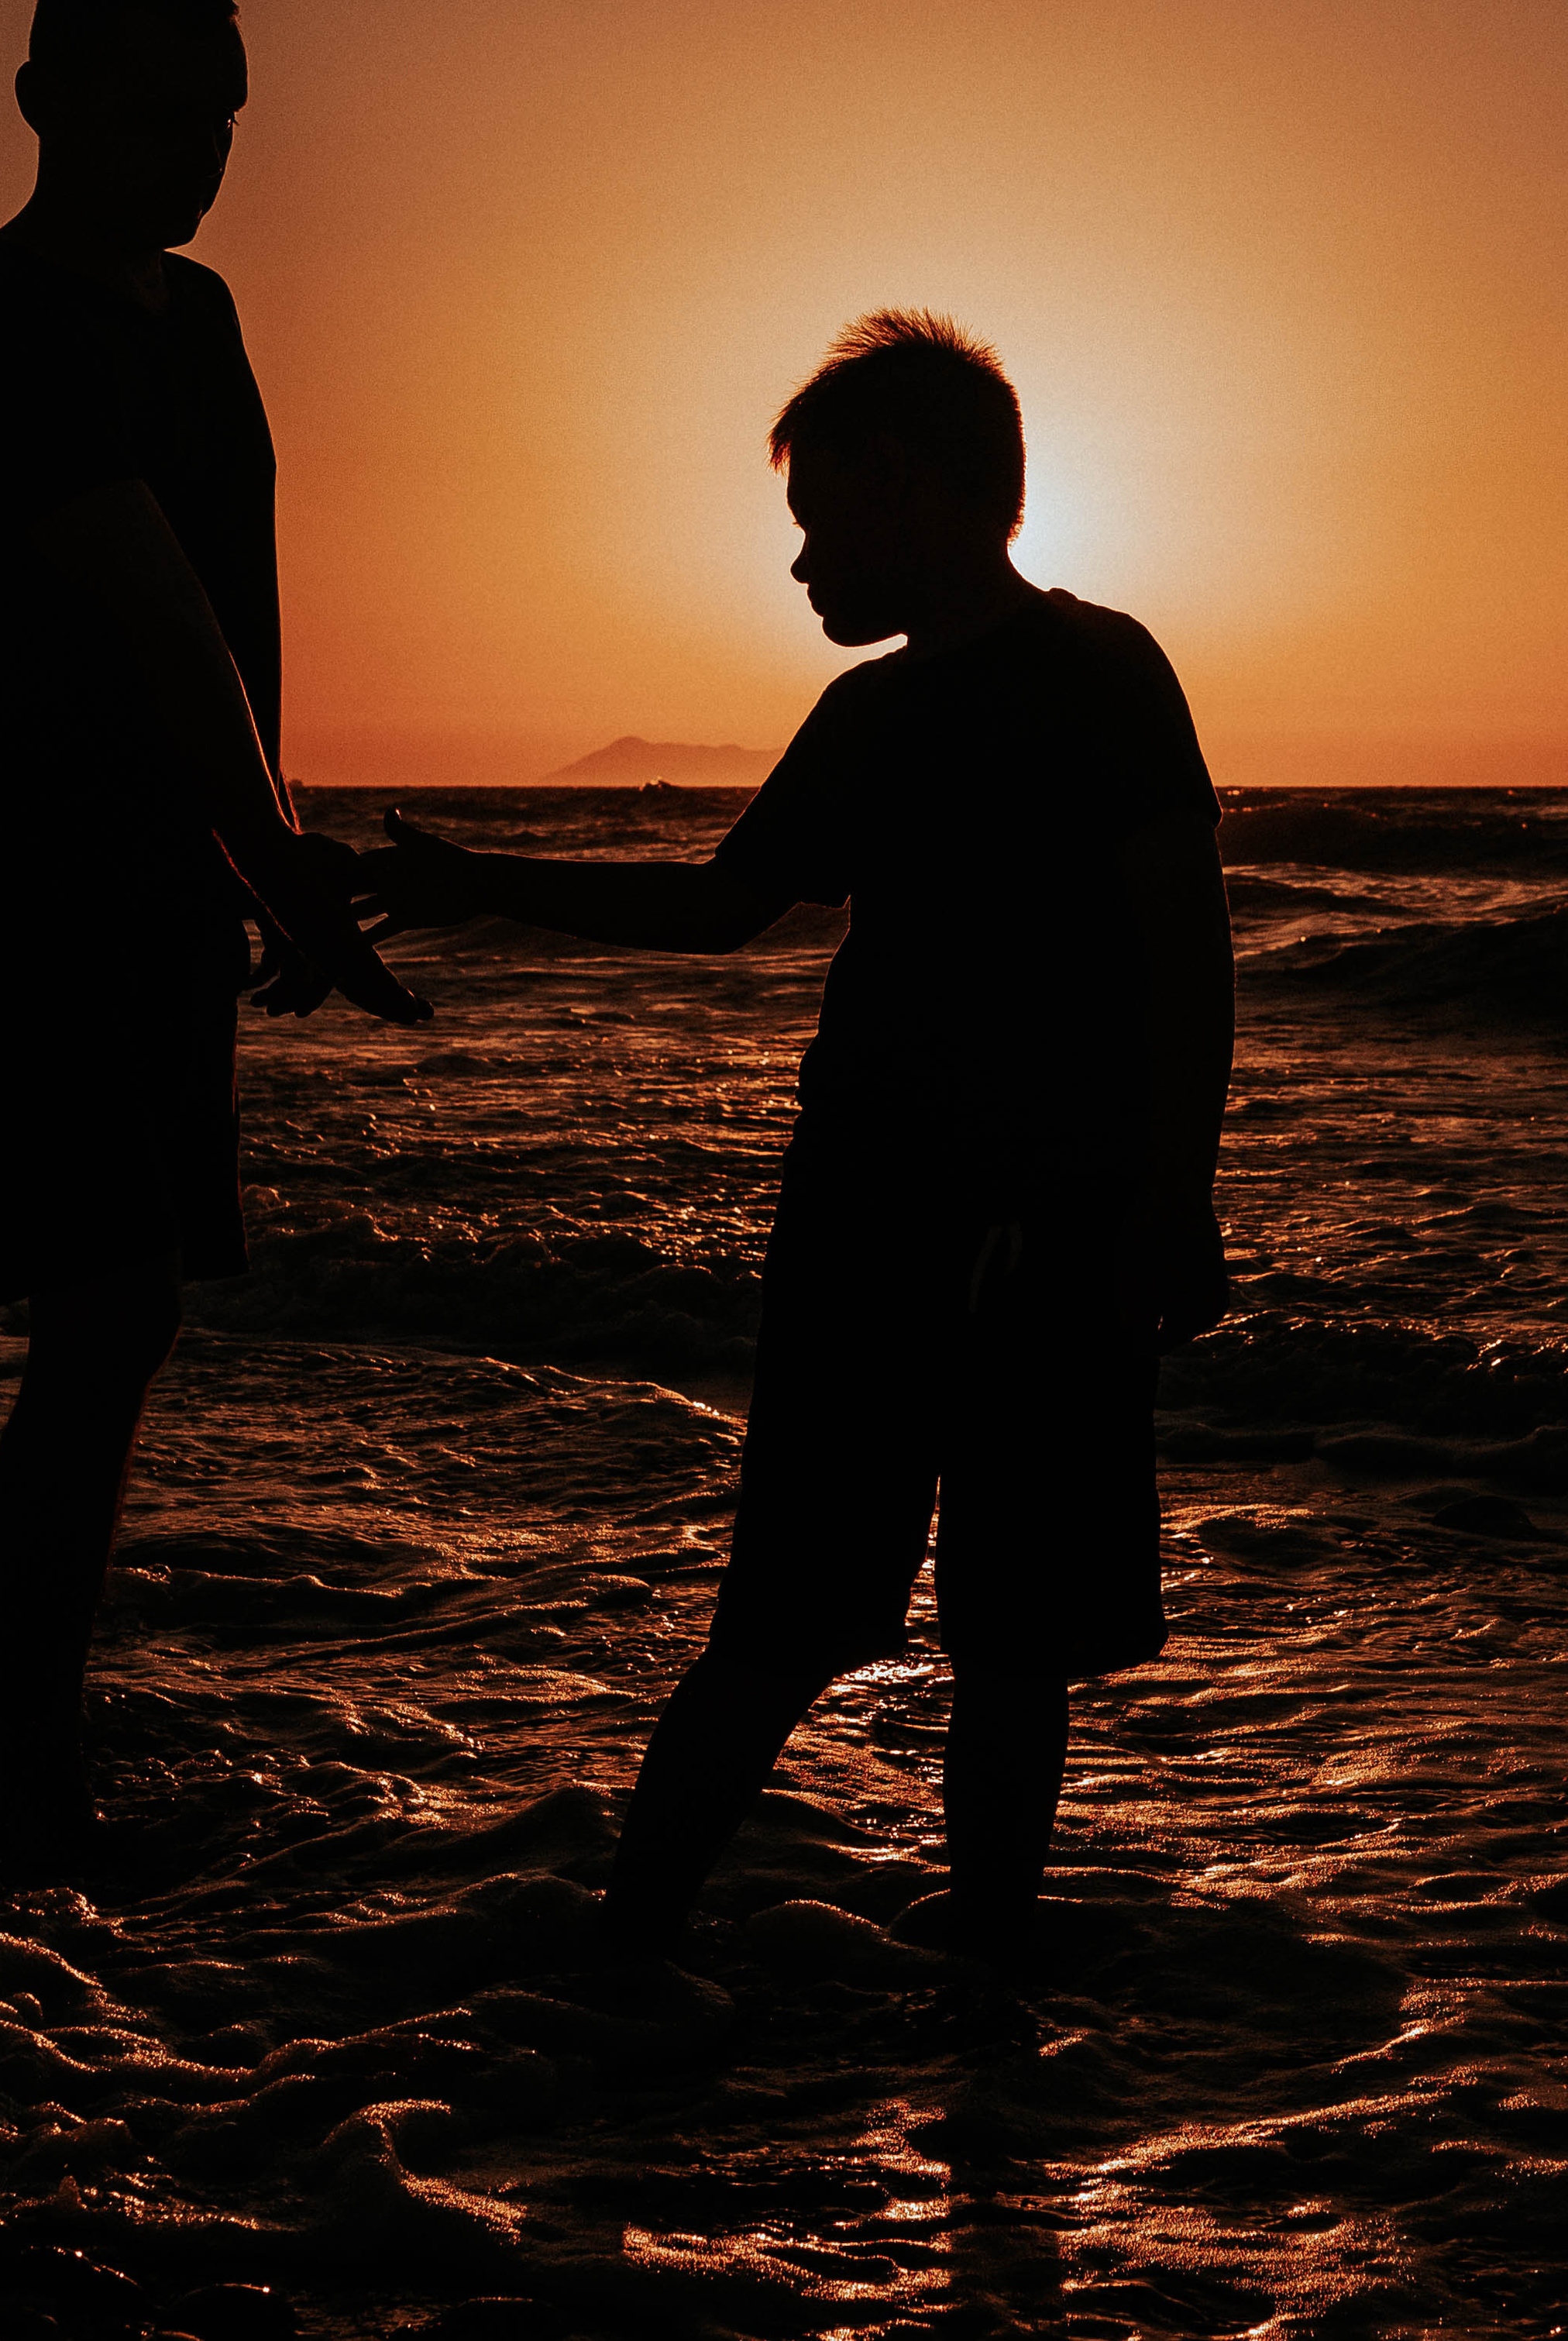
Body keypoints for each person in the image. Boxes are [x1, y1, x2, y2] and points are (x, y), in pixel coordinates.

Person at [363, 310, 1232, 1959]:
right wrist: (474, 882)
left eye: (817, 519)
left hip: (1030, 1225)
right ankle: (652, 1963)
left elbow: (1188, 948)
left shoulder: (1101, 674)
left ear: (899, 481)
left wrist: (1171, 1202)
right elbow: (722, 909)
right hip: (880, 1221)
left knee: (986, 1639)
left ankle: (924, 1986)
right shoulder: (871, 712)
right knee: (812, 1625)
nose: (801, 562)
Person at [0, 0, 426, 1864]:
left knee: (127, 1313)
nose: (198, 150)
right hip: (7, 861)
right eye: (155, 110)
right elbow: (149, 594)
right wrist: (270, 850)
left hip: (159, 857)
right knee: (104, 1294)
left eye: (222, 116)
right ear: (43, 101)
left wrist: (254, 836)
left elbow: (239, 610)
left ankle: (36, 1741)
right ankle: (32, 1769)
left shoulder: (202, 314)